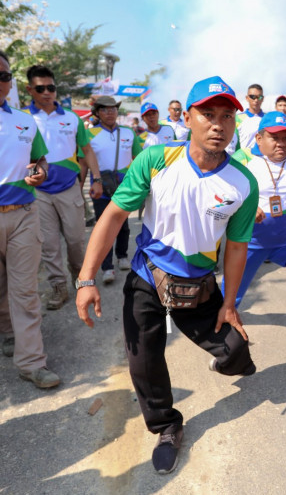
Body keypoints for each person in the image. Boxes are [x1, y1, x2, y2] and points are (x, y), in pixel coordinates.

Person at [76, 76, 258, 474]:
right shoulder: (156, 160)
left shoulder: (243, 182)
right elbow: (114, 215)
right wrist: (87, 278)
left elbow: (238, 246)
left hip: (199, 285)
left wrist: (229, 304)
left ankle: (224, 359)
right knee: (143, 359)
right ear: (188, 118)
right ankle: (166, 427)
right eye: (207, 114)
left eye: (227, 116)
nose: (218, 124)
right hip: (148, 277)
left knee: (238, 355)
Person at [0, 50, 60, 388]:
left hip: (24, 213)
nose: (0, 82)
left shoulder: (24, 120)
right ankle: (6, 332)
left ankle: (32, 362)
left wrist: (39, 172)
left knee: (24, 290)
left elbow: (40, 161)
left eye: (5, 76)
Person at [23, 64, 102, 310]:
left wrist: (96, 179)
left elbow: (86, 150)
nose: (47, 92)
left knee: (76, 240)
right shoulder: (22, 118)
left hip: (69, 188)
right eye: (40, 88)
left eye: (51, 87)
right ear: (30, 89)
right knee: (48, 244)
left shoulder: (71, 118)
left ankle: (81, 282)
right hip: (39, 193)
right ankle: (58, 287)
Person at [231, 111, 286, 306]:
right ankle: (226, 317)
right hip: (248, 238)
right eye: (274, 138)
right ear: (259, 138)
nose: (281, 144)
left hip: (281, 235)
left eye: (285, 138)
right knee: (235, 286)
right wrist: (247, 206)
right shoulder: (243, 158)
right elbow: (224, 191)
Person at [88, 96, 142, 284]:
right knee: (103, 226)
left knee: (124, 225)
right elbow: (83, 162)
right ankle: (107, 267)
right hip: (101, 186)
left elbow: (140, 158)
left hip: (124, 186)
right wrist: (80, 187)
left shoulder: (128, 132)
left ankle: (122, 255)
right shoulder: (90, 133)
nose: (110, 113)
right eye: (104, 109)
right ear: (97, 113)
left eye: (113, 109)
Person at [234, 83, 265, 151]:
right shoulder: (237, 118)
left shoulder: (268, 119)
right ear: (247, 98)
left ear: (263, 99)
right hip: (244, 160)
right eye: (253, 97)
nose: (256, 100)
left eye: (259, 97)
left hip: (263, 159)